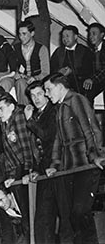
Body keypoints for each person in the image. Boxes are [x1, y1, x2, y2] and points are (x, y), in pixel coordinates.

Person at [44, 72, 105, 243]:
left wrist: (96, 157)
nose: (47, 95)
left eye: (48, 90)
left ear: (59, 86)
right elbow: (58, 140)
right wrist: (55, 164)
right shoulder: (60, 108)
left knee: (80, 211)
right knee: (73, 214)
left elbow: (91, 129)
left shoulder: (77, 100)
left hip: (85, 165)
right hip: (69, 168)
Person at [24, 80, 73, 243]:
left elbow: (47, 136)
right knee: (43, 219)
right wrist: (35, 169)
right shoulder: (37, 114)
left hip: (58, 167)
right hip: (44, 170)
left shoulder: (54, 111)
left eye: (39, 94)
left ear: (46, 93)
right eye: (32, 96)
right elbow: (34, 148)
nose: (36, 98)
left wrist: (30, 121)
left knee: (66, 217)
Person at [13, 20, 50, 105]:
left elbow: (46, 72)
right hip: (22, 80)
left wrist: (35, 78)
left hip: (37, 81)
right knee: (20, 83)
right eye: (19, 34)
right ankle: (24, 110)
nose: (21, 37)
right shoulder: (15, 48)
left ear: (32, 33)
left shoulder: (42, 49)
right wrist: (16, 73)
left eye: (24, 34)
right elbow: (10, 67)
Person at [51, 25, 93, 96]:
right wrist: (59, 71)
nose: (65, 39)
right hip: (61, 82)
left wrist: (72, 71)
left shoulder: (84, 51)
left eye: (67, 36)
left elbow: (88, 70)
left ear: (76, 37)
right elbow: (51, 68)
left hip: (79, 83)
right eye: (63, 36)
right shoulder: (59, 51)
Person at [83, 22, 105, 102]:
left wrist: (92, 79)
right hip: (98, 81)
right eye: (89, 34)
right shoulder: (91, 52)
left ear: (102, 35)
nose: (91, 37)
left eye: (94, 33)